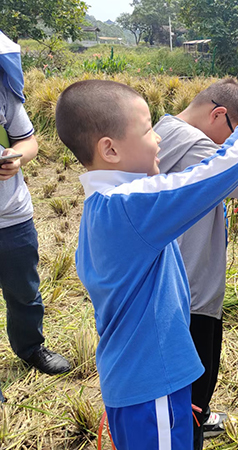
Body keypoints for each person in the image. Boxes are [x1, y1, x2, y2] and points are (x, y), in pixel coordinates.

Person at [54, 78, 238, 449]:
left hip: (141, 384)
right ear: (110, 150)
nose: (159, 138)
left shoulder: (103, 206)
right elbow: (230, 168)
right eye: (148, 130)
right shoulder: (129, 205)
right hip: (153, 387)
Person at [154, 78, 238, 449]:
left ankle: (197, 417)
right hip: (188, 297)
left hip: (189, 287)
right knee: (193, 382)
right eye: (233, 135)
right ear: (219, 115)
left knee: (195, 380)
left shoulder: (168, 135)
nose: (230, 147)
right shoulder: (187, 142)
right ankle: (191, 429)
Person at [0, 31, 70, 403]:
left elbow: (28, 141)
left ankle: (31, 348)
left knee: (25, 292)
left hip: (11, 217)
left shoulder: (4, 91)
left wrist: (16, 159)